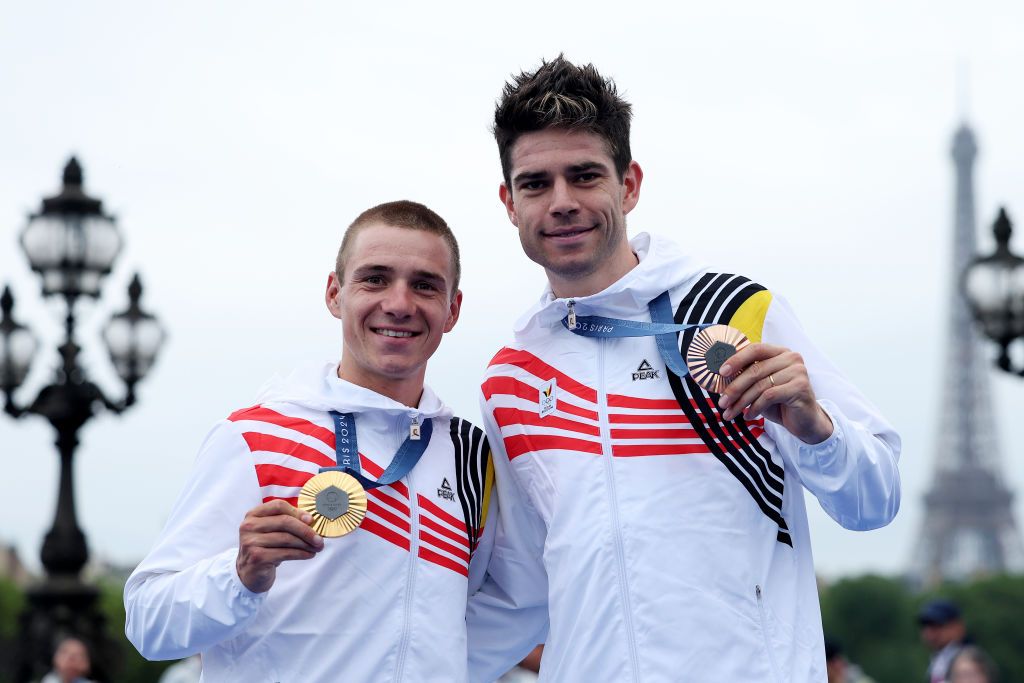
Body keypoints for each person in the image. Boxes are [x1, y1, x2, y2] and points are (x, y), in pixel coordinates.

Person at [465, 56, 901, 682]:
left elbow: (875, 501)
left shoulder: (735, 310)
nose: (561, 202)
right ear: (509, 202)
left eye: (584, 176)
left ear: (630, 184)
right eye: (536, 184)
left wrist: (818, 429)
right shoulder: (508, 377)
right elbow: (523, 593)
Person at [125, 200, 495, 682]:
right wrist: (238, 576)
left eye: (424, 285)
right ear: (334, 294)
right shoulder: (255, 436)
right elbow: (147, 623)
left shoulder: (469, 454)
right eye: (375, 278)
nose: (400, 303)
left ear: (453, 309)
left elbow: (493, 616)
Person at [919, 598, 969, 683]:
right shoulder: (939, 659)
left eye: (937, 626)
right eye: (925, 626)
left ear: (958, 627)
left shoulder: (969, 662)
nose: (929, 632)